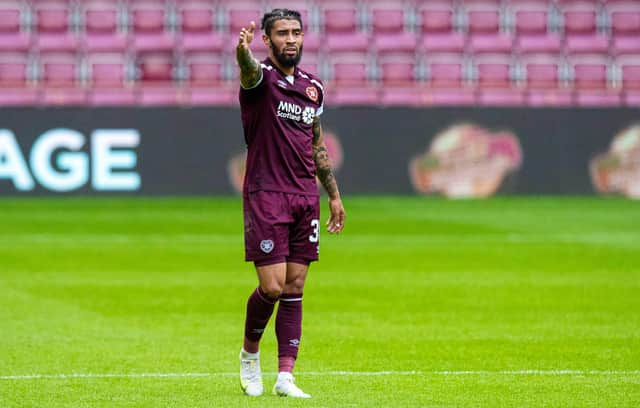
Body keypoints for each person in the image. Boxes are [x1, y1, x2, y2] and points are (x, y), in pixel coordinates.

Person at [236, 8, 346, 399]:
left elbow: (316, 144)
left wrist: (332, 194)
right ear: (267, 40)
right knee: (272, 285)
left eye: (296, 32)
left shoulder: (313, 86)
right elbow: (248, 69)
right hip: (267, 194)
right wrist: (243, 53)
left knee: (296, 284)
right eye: (282, 33)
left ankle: (285, 375)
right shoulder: (260, 81)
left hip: (304, 196)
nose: (291, 39)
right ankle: (250, 355)